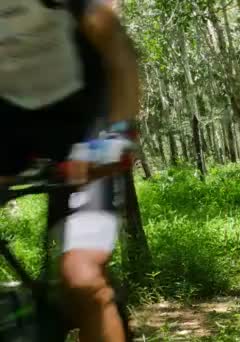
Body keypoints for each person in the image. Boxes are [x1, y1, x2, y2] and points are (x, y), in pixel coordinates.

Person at [0, 1, 140, 341]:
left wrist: (118, 136)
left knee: (83, 278)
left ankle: (93, 300)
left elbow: (117, 50)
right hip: (10, 120)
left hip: (83, 123)